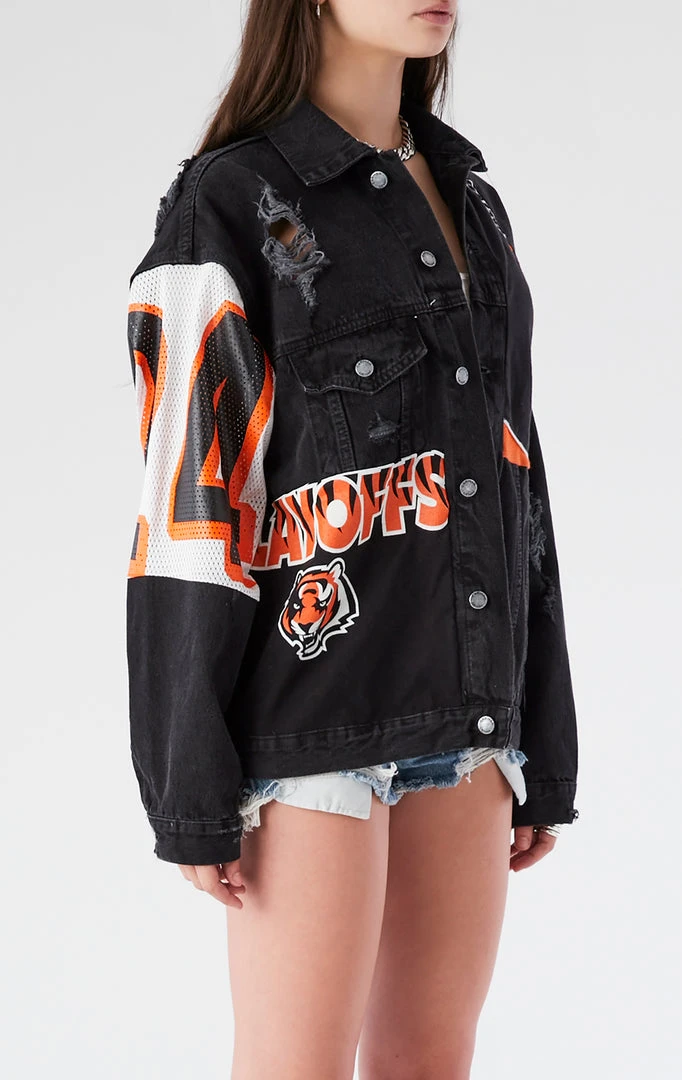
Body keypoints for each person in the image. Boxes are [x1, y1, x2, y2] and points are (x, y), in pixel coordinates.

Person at [125, 2, 579, 1076]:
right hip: (309, 726)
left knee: (432, 1062)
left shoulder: (470, 198)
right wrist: (190, 784)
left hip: (468, 722)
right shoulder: (227, 204)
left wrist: (543, 738)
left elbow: (516, 484)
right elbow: (186, 512)